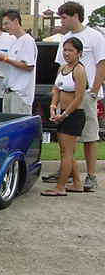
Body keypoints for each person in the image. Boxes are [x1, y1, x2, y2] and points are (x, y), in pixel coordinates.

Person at [42, 1, 105, 191]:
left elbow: (102, 64)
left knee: (89, 137)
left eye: (64, 17)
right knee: (66, 138)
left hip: (86, 95)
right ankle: (67, 172)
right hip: (66, 95)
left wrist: (93, 91)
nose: (61, 21)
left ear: (75, 16)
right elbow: (60, 68)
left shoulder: (94, 36)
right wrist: (56, 94)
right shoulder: (65, 38)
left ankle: (91, 176)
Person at [41, 37, 88, 196]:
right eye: (65, 50)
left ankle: (60, 187)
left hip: (74, 115)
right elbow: (56, 89)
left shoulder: (79, 70)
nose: (67, 53)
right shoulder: (62, 68)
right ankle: (77, 184)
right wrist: (53, 108)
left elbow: (79, 97)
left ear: (79, 53)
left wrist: (65, 114)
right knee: (65, 151)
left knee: (66, 153)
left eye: (70, 50)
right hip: (62, 114)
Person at [0, 10, 37, 115]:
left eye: (7, 23)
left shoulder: (27, 40)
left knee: (19, 124)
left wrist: (6, 59)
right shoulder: (15, 42)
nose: (4, 27)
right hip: (8, 93)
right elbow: (13, 70)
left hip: (20, 95)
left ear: (16, 21)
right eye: (3, 24)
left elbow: (29, 66)